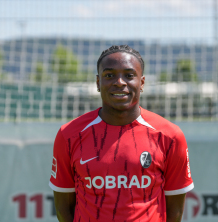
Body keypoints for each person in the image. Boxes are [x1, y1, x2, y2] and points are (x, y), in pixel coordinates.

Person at [49, 45, 194, 222]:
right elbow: (63, 208)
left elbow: (175, 212)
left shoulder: (170, 136)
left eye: (129, 75)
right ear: (97, 83)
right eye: (109, 75)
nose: (119, 82)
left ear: (141, 83)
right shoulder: (69, 135)